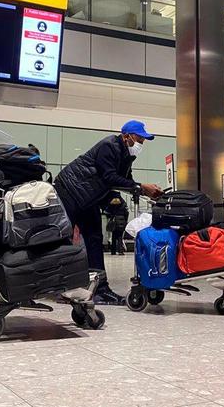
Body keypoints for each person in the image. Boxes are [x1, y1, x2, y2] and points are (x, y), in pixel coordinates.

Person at [54, 120, 163, 305]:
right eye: (139, 138)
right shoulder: (109, 146)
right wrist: (141, 187)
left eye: (143, 140)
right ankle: (61, 287)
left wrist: (144, 190)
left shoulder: (126, 155)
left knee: (94, 238)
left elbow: (124, 180)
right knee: (64, 239)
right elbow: (109, 177)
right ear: (126, 135)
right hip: (70, 191)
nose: (141, 143)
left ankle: (99, 289)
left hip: (87, 198)